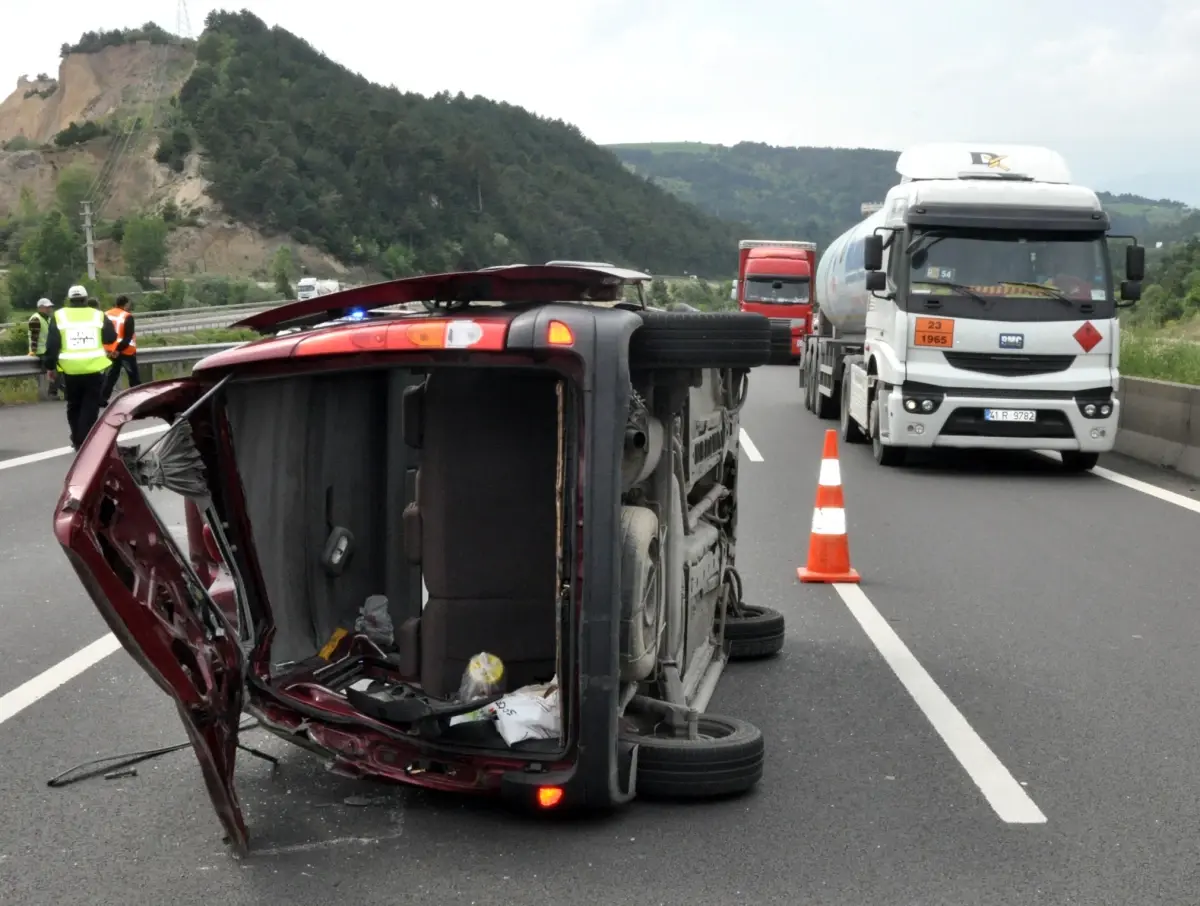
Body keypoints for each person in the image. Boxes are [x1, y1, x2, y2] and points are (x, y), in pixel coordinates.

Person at [43, 284, 117, 451]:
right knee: (90, 405)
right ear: (85, 299)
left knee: (73, 405)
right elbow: (111, 337)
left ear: (70, 300)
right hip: (93, 368)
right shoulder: (97, 315)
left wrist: (50, 366)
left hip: (70, 370)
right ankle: (83, 440)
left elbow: (52, 344)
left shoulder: (60, 316)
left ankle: (77, 438)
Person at [100, 294, 141, 406]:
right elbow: (128, 337)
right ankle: (138, 400)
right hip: (126, 351)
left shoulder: (106, 314)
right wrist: (118, 349)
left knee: (112, 375)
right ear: (126, 304)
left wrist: (110, 349)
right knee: (133, 377)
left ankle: (102, 398)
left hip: (110, 351)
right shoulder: (127, 316)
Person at [27, 297, 62, 400]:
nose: (49, 309)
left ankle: (54, 392)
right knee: (54, 371)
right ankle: (52, 393)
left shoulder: (48, 319)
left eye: (50, 307)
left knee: (58, 371)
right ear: (40, 308)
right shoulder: (36, 319)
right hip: (40, 352)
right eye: (47, 307)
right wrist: (33, 351)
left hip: (48, 351)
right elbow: (34, 336)